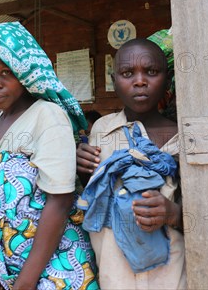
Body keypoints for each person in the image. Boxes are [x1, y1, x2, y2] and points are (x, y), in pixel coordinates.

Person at [0, 22, 98, 290]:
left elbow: (60, 201)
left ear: (24, 71)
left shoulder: (47, 115)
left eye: (6, 72)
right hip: (17, 271)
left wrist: (27, 281)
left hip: (55, 269)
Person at [76, 38, 185, 289]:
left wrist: (172, 213)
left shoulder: (184, 135)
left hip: (171, 269)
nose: (139, 81)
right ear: (114, 82)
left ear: (166, 79)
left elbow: (203, 206)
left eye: (151, 71)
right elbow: (96, 192)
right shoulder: (103, 129)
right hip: (115, 265)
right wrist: (82, 169)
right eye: (127, 73)